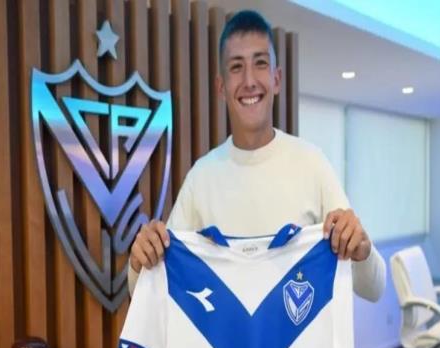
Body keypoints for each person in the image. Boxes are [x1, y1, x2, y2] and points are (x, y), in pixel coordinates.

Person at [128, 9, 385, 302]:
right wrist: (139, 261)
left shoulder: (312, 164)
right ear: (221, 87)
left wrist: (361, 248)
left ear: (276, 79)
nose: (249, 80)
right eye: (236, 67)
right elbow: (148, 290)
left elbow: (374, 288)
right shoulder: (201, 178)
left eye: (260, 63)